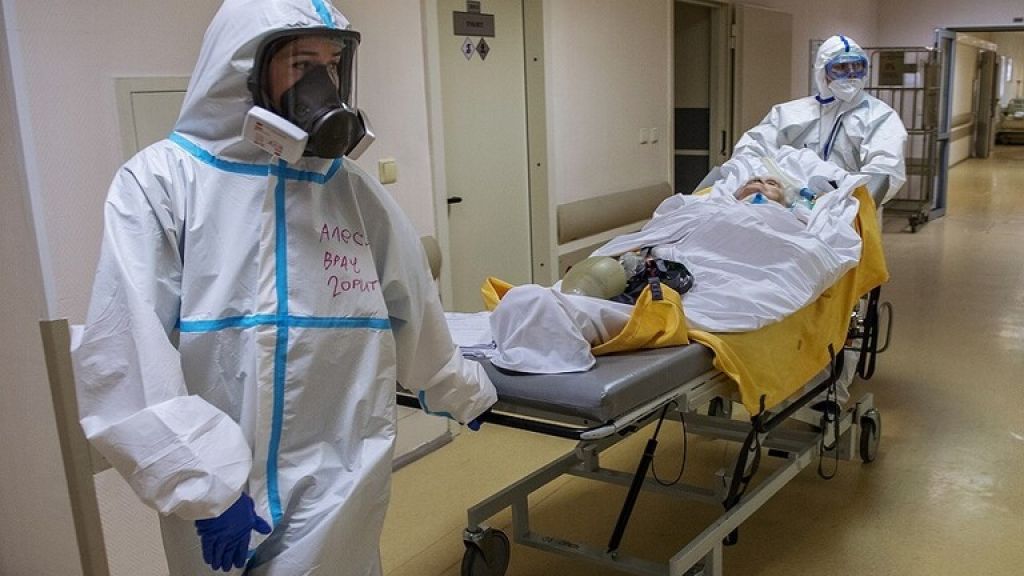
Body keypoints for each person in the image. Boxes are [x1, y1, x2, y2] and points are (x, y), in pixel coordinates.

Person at [71, 1, 496, 574]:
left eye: (331, 65)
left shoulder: (351, 191)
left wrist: (457, 389)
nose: (322, 85)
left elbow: (414, 306)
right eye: (301, 65)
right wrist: (200, 479)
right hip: (223, 483)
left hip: (340, 473)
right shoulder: (162, 184)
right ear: (244, 71)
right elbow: (129, 353)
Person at [732, 35, 908, 204]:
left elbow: (885, 171)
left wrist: (844, 198)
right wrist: (776, 191)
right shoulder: (788, 113)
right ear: (823, 71)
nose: (851, 74)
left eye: (857, 66)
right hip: (785, 208)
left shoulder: (879, 115)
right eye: (841, 67)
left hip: (851, 211)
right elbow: (749, 152)